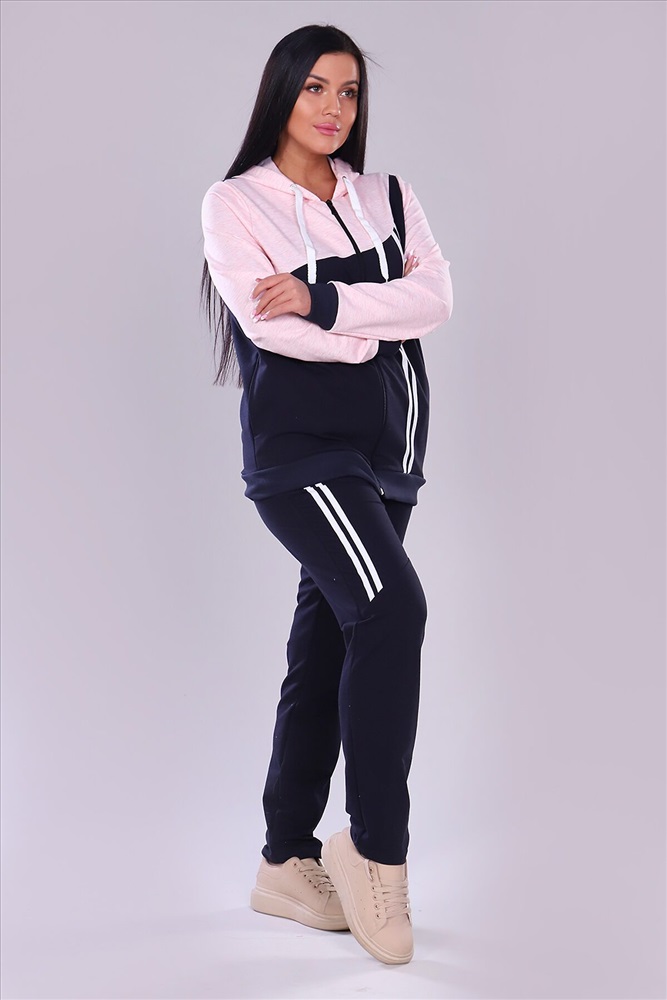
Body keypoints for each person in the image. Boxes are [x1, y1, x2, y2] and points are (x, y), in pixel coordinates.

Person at [200, 23, 453, 966]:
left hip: (391, 449)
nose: (333, 109)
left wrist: (321, 297)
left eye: (347, 92)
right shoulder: (235, 203)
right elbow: (268, 331)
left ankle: (283, 858)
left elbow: (437, 299)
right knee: (392, 610)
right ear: (280, 93)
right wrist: (372, 316)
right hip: (303, 453)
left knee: (331, 639)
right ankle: (375, 852)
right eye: (314, 88)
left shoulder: (385, 195)